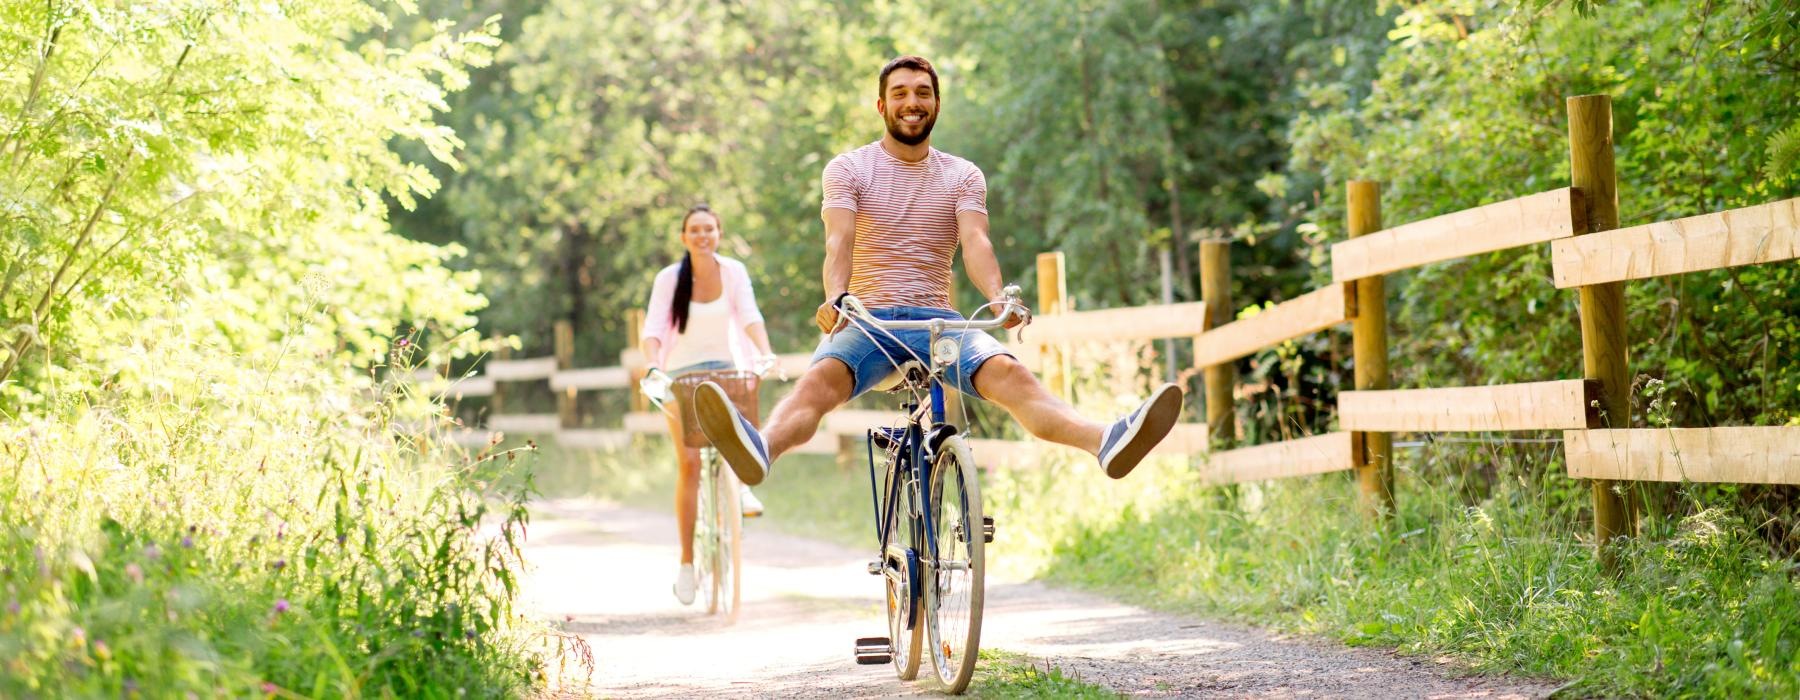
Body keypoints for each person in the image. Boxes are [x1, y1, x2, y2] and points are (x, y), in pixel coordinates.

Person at [694, 55, 1182, 490]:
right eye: (900, 93)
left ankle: (1106, 441)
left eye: (923, 93)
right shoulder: (849, 169)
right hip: (869, 320)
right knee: (819, 382)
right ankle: (763, 448)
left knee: (1011, 374)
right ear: (882, 107)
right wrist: (837, 297)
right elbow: (838, 241)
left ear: (937, 104)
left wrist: (997, 297)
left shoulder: (962, 175)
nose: (912, 102)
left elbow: (976, 241)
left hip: (939, 323)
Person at [640, 204, 776, 606]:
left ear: (719, 233)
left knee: (744, 409)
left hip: (725, 368)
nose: (702, 235)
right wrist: (651, 365)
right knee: (690, 463)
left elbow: (750, 316)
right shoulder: (669, 279)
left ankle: (743, 487)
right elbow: (653, 329)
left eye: (709, 229)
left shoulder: (733, 272)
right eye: (694, 230)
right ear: (684, 237)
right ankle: (686, 564)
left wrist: (764, 353)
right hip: (680, 376)